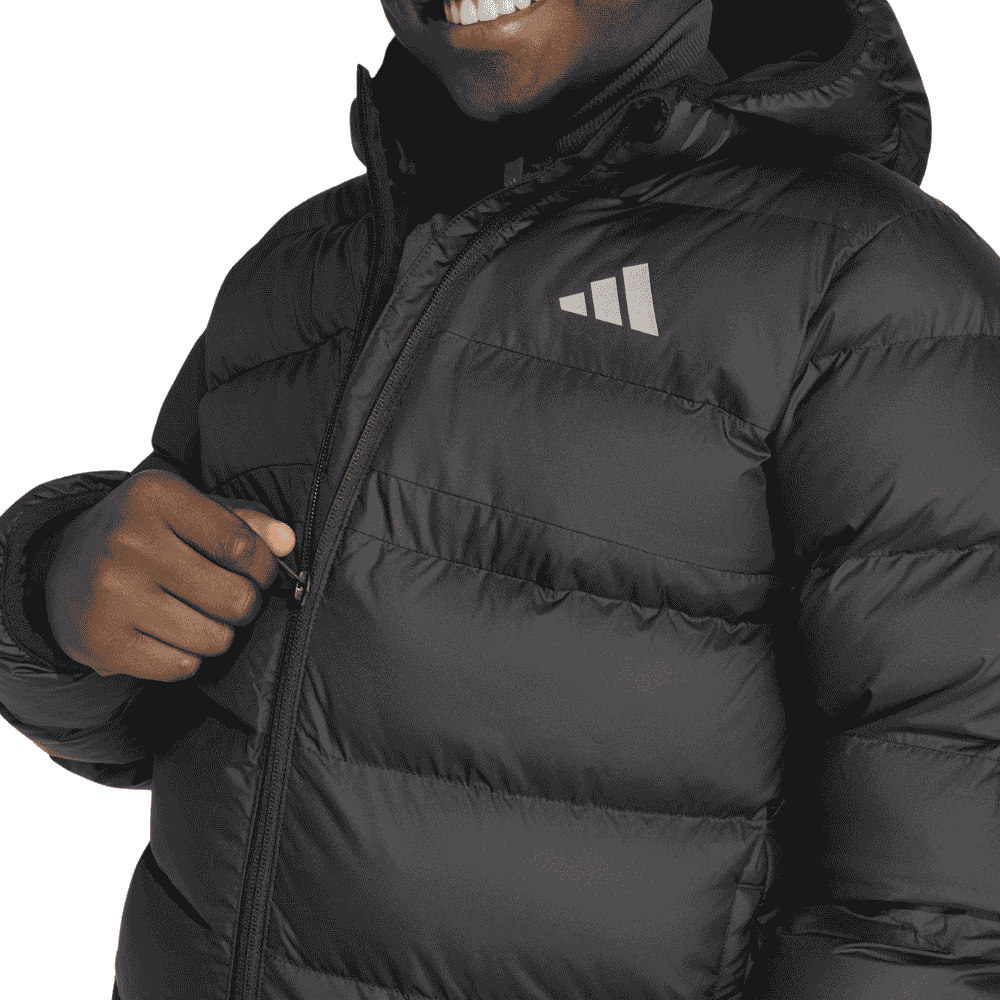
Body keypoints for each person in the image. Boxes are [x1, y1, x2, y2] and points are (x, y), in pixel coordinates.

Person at [2, 0, 999, 997]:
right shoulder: (299, 273)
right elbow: (157, 717)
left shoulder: (877, 295)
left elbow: (944, 904)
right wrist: (51, 590)